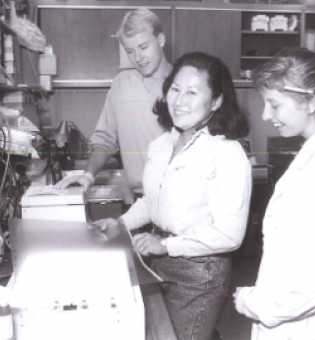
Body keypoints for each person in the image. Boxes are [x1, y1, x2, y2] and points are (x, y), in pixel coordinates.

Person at [93, 52, 252, 340]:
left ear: (216, 101)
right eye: (175, 89)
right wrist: (121, 224)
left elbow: (230, 235)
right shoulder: (161, 144)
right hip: (157, 262)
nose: (179, 101)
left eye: (192, 92)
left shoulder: (226, 153)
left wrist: (166, 245)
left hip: (199, 273)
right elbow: (153, 202)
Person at [233, 47, 315, 339]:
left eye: (275, 105)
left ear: (311, 102)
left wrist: (255, 303)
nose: (266, 115)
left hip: (305, 326)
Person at [55, 8, 172, 202]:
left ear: (160, 40)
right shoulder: (121, 85)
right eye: (130, 51)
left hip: (180, 198)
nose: (138, 58)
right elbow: (104, 139)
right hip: (139, 199)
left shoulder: (184, 83)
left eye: (143, 47)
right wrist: (88, 175)